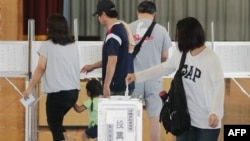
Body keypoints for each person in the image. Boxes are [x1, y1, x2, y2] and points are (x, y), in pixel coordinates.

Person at [126, 17, 225, 141]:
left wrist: (215, 112)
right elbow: (163, 68)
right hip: (184, 119)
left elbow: (219, 87)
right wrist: (137, 76)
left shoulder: (211, 58)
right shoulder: (181, 54)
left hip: (207, 122)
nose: (177, 39)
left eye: (179, 35)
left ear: (188, 36)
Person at [23, 14, 81, 141]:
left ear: (51, 28)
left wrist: (29, 88)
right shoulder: (73, 46)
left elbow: (40, 68)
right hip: (73, 93)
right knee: (57, 123)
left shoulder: (47, 45)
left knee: (54, 125)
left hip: (57, 95)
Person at [128, 1, 172, 140]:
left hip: (134, 78)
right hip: (154, 79)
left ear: (137, 12)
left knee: (134, 116)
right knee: (154, 117)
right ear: (154, 14)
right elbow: (165, 56)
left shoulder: (128, 28)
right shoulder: (161, 30)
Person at [81, 0, 134, 97]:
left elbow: (112, 60)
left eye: (98, 16)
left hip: (117, 86)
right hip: (125, 84)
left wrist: (106, 85)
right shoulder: (121, 28)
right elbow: (113, 58)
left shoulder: (113, 33)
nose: (98, 19)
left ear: (104, 14)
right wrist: (92, 66)